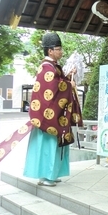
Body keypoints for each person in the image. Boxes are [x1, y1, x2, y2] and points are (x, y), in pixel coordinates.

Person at [23, 32, 83, 186]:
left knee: (51, 145)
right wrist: (70, 85)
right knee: (48, 146)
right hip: (47, 119)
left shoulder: (52, 67)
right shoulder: (47, 68)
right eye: (58, 49)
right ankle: (45, 176)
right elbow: (55, 86)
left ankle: (52, 173)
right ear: (50, 51)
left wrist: (69, 76)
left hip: (52, 116)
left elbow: (59, 83)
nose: (61, 52)